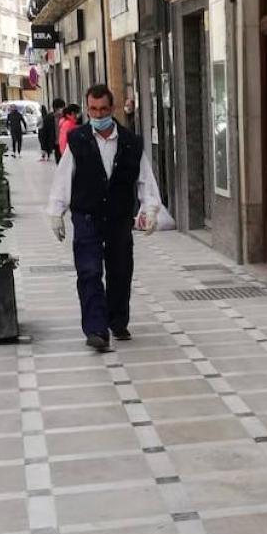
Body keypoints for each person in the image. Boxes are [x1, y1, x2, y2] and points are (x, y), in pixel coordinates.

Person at [47, 85, 166, 351]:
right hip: (87, 216)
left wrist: (150, 209)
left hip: (118, 217)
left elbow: (144, 179)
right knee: (89, 271)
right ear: (87, 109)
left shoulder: (131, 142)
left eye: (103, 109)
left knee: (120, 270)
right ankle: (96, 330)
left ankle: (117, 320)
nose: (98, 114)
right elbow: (64, 177)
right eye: (93, 109)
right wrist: (56, 212)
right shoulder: (78, 140)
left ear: (112, 109)